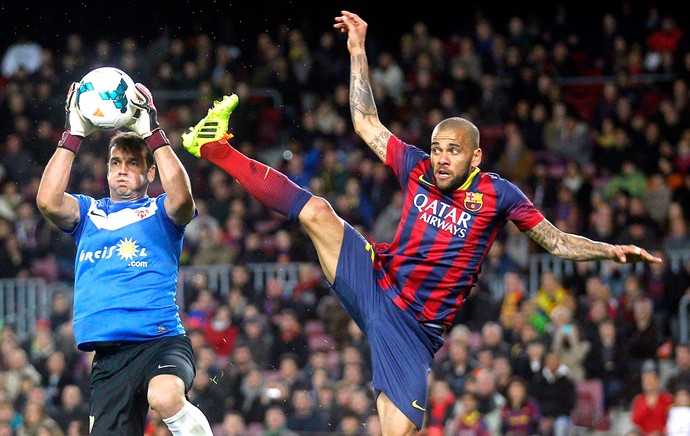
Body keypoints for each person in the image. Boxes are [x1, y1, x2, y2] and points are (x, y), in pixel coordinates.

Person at [179, 11, 662, 435]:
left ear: (476, 154)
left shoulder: (498, 194)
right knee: (318, 211)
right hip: (375, 279)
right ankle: (214, 147)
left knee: (401, 431)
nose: (441, 157)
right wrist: (358, 50)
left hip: (414, 330)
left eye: (452, 150)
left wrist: (609, 249)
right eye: (436, 147)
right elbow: (366, 121)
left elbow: (555, 242)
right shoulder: (414, 166)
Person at [35, 81, 213, 434]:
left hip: (159, 340)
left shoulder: (160, 211)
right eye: (115, 162)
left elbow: (182, 200)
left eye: (133, 163)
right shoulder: (89, 213)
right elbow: (48, 201)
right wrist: (73, 134)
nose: (121, 169)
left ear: (150, 174)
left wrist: (154, 134)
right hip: (108, 358)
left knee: (164, 397)